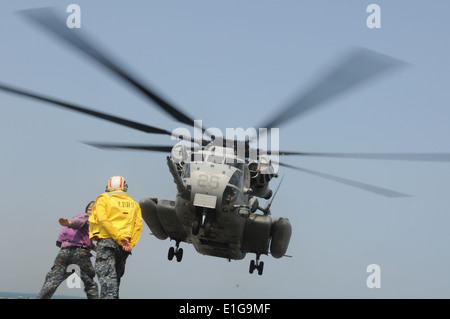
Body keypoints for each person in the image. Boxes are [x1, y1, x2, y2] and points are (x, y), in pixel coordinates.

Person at [89, 176, 143, 299]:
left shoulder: (104, 198)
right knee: (114, 281)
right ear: (124, 187)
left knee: (108, 279)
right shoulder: (133, 203)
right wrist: (130, 244)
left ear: (108, 187)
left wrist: (118, 238)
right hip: (125, 247)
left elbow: (103, 220)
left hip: (107, 242)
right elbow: (138, 226)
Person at [36, 201, 99, 299]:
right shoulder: (87, 217)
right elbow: (78, 222)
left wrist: (94, 248)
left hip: (63, 253)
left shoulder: (77, 219)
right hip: (80, 254)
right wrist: (69, 223)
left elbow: (64, 240)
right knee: (89, 282)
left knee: (52, 280)